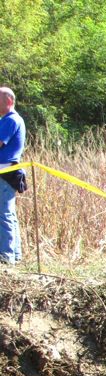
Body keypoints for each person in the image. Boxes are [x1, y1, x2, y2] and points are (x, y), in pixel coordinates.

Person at [0, 87, 26, 265]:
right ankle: (14, 255)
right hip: (7, 172)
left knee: (4, 214)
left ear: (9, 101)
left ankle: (7, 257)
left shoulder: (11, 120)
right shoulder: (8, 119)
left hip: (5, 172)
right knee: (8, 214)